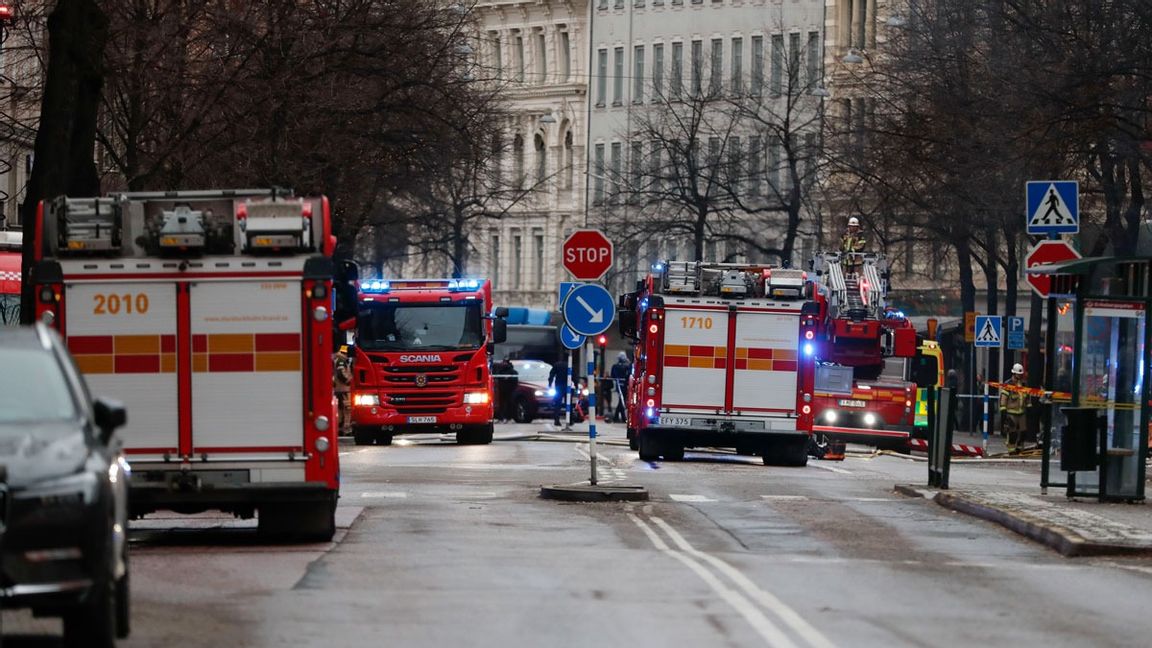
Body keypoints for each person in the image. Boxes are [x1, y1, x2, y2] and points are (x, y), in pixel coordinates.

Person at [1000, 363, 1028, 450]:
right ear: (1014, 373)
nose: (1020, 375)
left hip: (1021, 412)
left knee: (1023, 432)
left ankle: (1020, 448)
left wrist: (1029, 406)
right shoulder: (1008, 384)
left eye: (1021, 374)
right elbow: (1003, 398)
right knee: (1012, 433)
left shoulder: (1023, 384)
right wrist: (1003, 411)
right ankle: (1011, 450)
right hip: (1011, 413)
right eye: (1018, 374)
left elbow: (1027, 396)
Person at [333, 346, 353, 435]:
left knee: (340, 410)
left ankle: (339, 429)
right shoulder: (341, 361)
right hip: (344, 389)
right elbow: (341, 374)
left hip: (339, 389)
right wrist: (348, 380)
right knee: (347, 409)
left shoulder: (338, 360)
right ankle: (346, 429)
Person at [493, 356, 518, 423]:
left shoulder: (513, 372)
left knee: (509, 404)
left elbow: (515, 381)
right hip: (501, 390)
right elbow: (497, 378)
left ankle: (509, 417)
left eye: (505, 362)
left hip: (510, 391)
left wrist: (508, 380)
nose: (504, 363)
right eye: (503, 362)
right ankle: (501, 418)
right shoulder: (501, 371)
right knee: (501, 405)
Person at [610, 351, 631, 423]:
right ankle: (619, 417)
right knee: (622, 401)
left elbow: (612, 375)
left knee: (621, 400)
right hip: (625, 385)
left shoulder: (615, 366)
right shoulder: (627, 366)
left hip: (618, 384)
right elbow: (629, 375)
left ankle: (619, 417)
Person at [549, 357, 569, 426]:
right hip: (568, 387)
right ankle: (570, 419)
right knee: (568, 404)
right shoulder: (569, 365)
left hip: (558, 386)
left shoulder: (557, 365)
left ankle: (557, 420)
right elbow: (574, 375)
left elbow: (552, 374)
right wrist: (576, 384)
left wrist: (550, 384)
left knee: (557, 404)